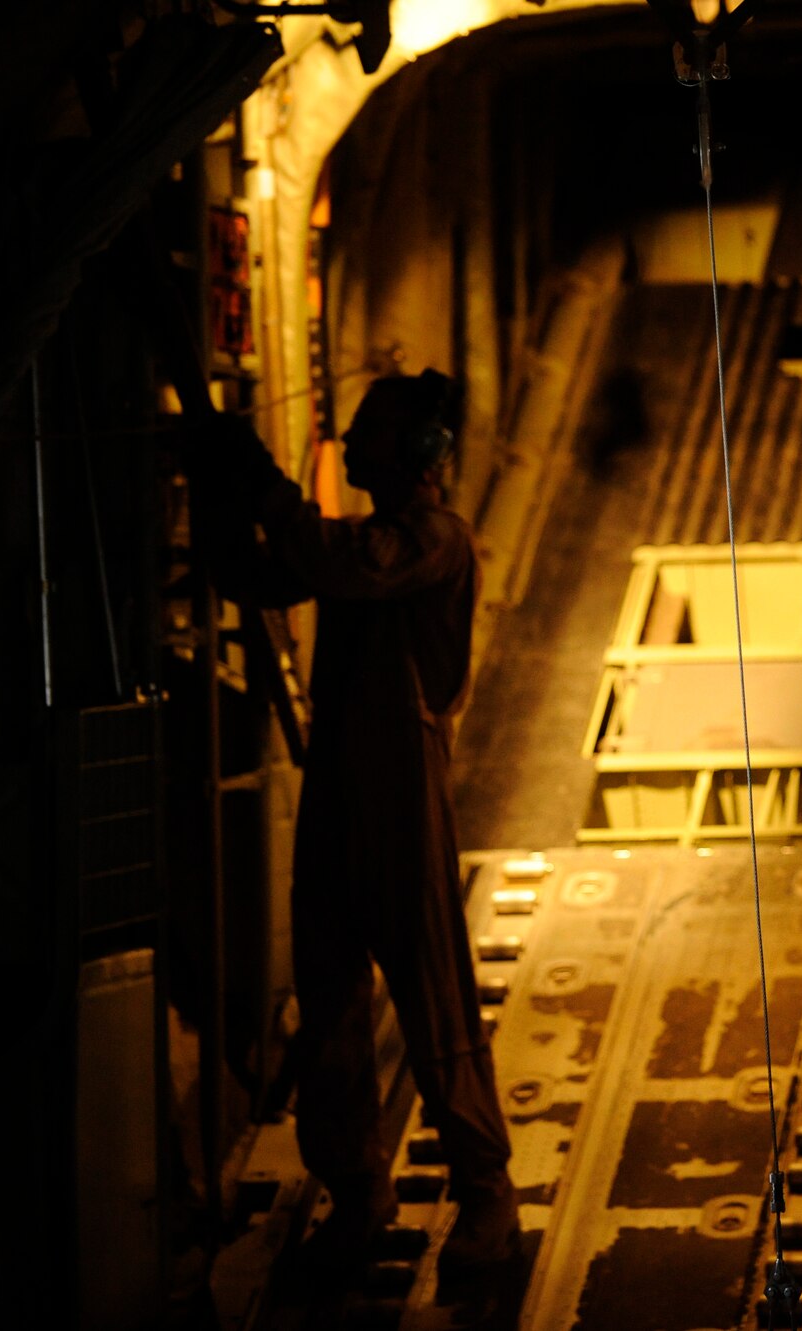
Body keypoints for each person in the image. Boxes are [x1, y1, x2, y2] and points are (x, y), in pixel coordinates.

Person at [188, 371, 519, 1280]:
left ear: (417, 456)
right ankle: (358, 1187)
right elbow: (259, 573)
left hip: (401, 777)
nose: (358, 441)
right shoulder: (369, 537)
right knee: (329, 994)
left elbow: (336, 561)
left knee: (432, 993)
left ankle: (487, 1192)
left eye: (374, 431)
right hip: (342, 770)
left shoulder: (432, 540)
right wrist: (222, 494)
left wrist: (262, 484)